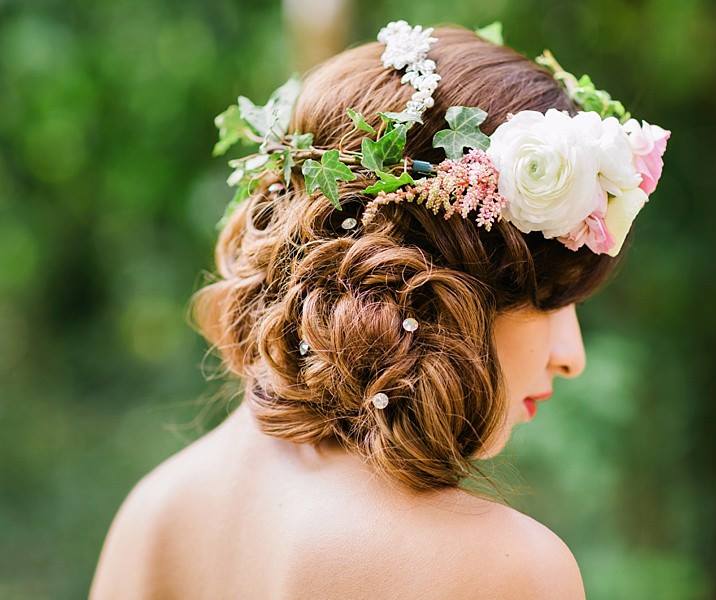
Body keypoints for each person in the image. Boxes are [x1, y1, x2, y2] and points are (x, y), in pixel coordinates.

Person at [90, 21, 669, 599]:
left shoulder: (152, 515)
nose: (573, 357)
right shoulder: (508, 569)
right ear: (437, 284)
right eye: (550, 300)